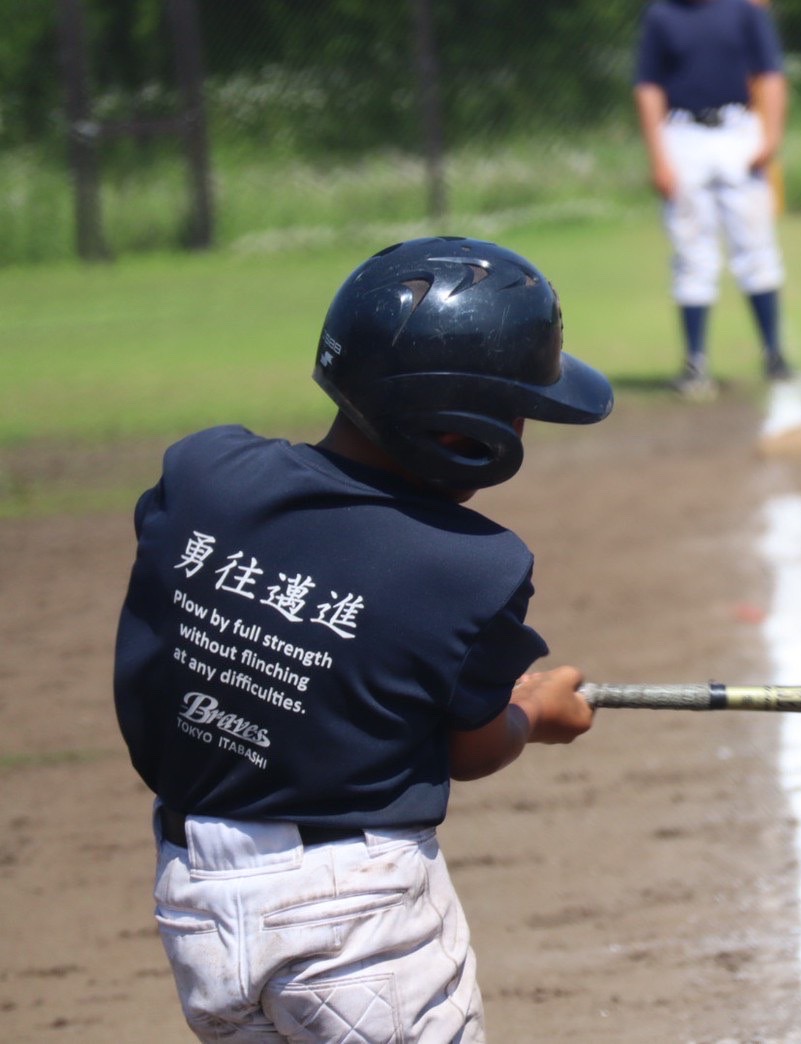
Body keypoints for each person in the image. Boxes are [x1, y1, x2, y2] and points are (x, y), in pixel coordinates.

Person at [112, 236, 613, 1041]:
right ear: (459, 429)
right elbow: (469, 748)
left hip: (194, 899)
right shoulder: (473, 565)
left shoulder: (205, 470)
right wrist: (533, 715)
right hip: (356, 920)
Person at [633, 0, 795, 400]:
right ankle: (695, 363)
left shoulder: (742, 10)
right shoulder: (662, 14)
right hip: (683, 135)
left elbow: (770, 74)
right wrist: (659, 158)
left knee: (755, 246)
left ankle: (774, 354)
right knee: (692, 252)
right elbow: (649, 86)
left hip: (738, 130)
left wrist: (770, 138)